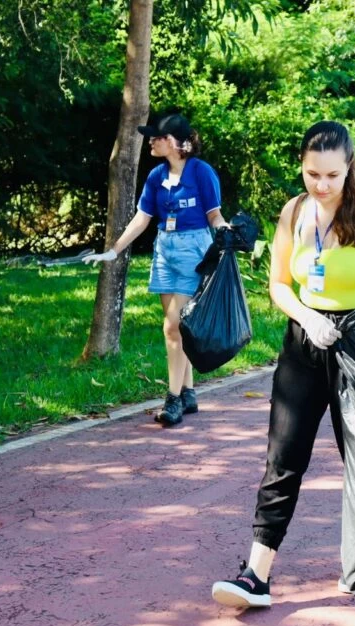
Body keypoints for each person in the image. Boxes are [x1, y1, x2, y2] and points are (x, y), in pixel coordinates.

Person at [211, 121, 355, 608]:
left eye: (332, 176)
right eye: (312, 173)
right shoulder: (294, 212)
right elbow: (279, 284)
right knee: (283, 457)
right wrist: (307, 317)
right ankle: (256, 574)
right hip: (305, 343)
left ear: (350, 170)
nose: (321, 185)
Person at [83, 113, 230, 426]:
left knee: (172, 327)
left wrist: (224, 229)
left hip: (194, 250)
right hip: (164, 250)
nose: (151, 140)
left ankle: (173, 399)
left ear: (180, 143)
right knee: (178, 327)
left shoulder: (202, 173)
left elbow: (214, 214)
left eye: (158, 137)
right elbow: (142, 219)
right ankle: (189, 394)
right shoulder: (156, 177)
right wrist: (113, 251)